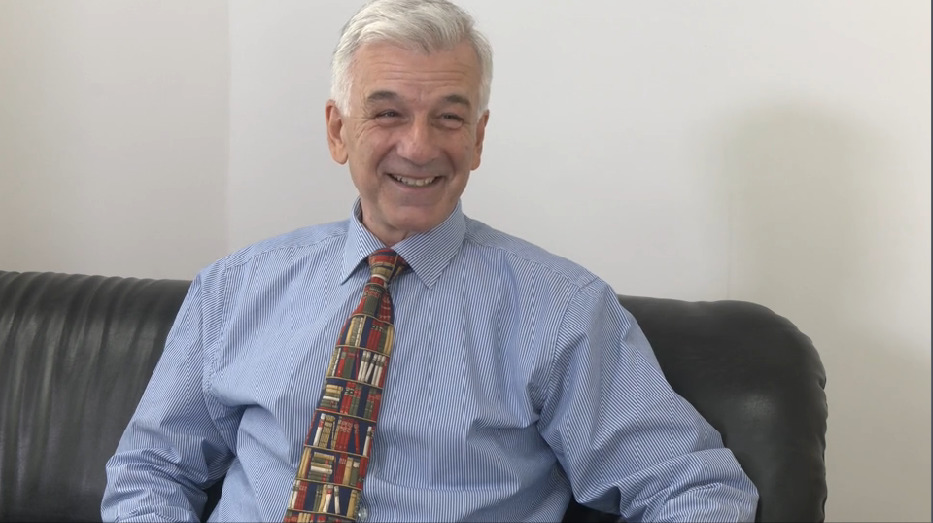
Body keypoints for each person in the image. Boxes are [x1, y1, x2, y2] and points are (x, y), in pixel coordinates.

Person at [101, 1, 758, 521]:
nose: (418, 147)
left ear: (477, 139)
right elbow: (150, 471)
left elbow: (695, 490)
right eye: (387, 113)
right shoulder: (234, 287)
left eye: (448, 118)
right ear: (338, 130)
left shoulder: (562, 310)